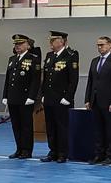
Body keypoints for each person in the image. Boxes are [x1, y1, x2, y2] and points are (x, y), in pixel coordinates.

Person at [40, 31, 79, 163]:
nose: (50, 43)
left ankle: (63, 152)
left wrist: (68, 97)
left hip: (62, 99)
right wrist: (43, 94)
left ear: (61, 41)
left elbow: (73, 79)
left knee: (62, 126)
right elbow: (46, 78)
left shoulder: (71, 56)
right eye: (50, 40)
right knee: (50, 126)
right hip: (49, 98)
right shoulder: (50, 56)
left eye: (53, 40)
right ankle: (53, 151)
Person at [85, 36, 111, 165]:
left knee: (110, 130)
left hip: (108, 102)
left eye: (102, 45)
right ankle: (99, 154)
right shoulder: (94, 61)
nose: (99, 47)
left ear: (109, 45)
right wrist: (87, 99)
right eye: (98, 45)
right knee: (97, 130)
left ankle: (110, 155)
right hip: (95, 101)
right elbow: (90, 82)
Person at [2, 34, 41, 159]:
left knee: (26, 125)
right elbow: (8, 79)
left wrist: (32, 97)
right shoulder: (12, 59)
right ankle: (19, 148)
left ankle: (26, 150)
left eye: (20, 44)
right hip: (13, 97)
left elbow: (35, 80)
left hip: (25, 99)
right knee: (16, 125)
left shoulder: (33, 59)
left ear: (27, 45)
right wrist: (5, 95)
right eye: (16, 44)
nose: (17, 46)